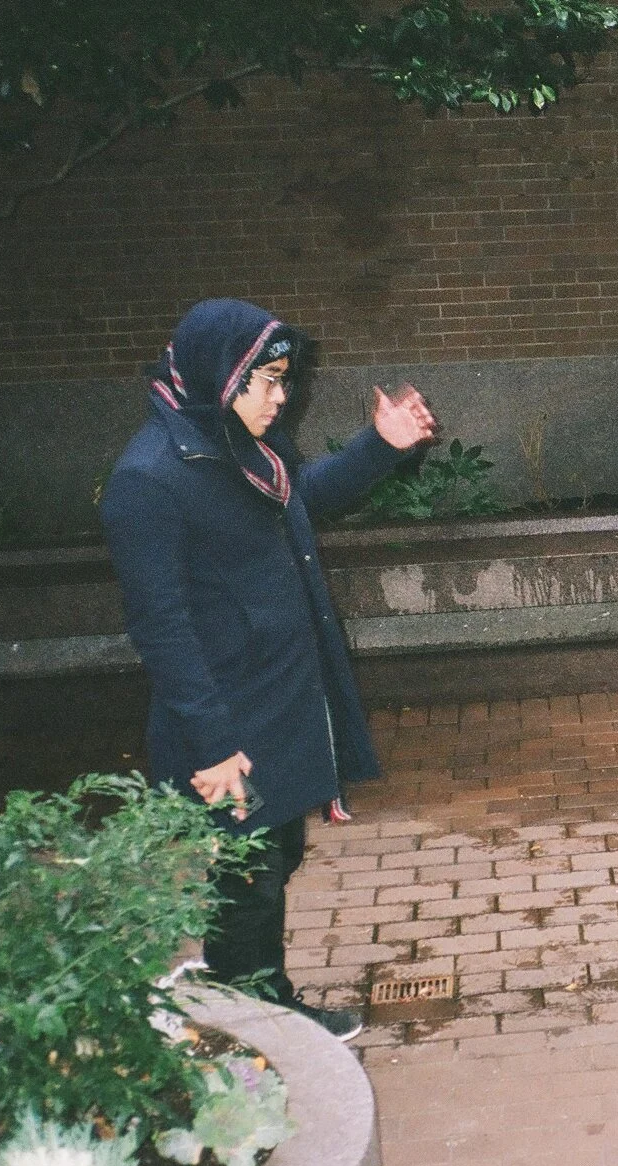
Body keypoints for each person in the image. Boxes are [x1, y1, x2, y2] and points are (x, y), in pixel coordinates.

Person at [100, 298, 437, 1040]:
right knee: (247, 870)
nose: (281, 396)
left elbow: (299, 503)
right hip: (226, 711)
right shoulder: (149, 479)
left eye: (284, 380)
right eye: (269, 381)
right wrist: (213, 741)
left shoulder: (236, 444)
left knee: (270, 854)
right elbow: (160, 627)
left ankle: (253, 1004)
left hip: (280, 692)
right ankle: (255, 1020)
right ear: (222, 378)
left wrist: (379, 445)